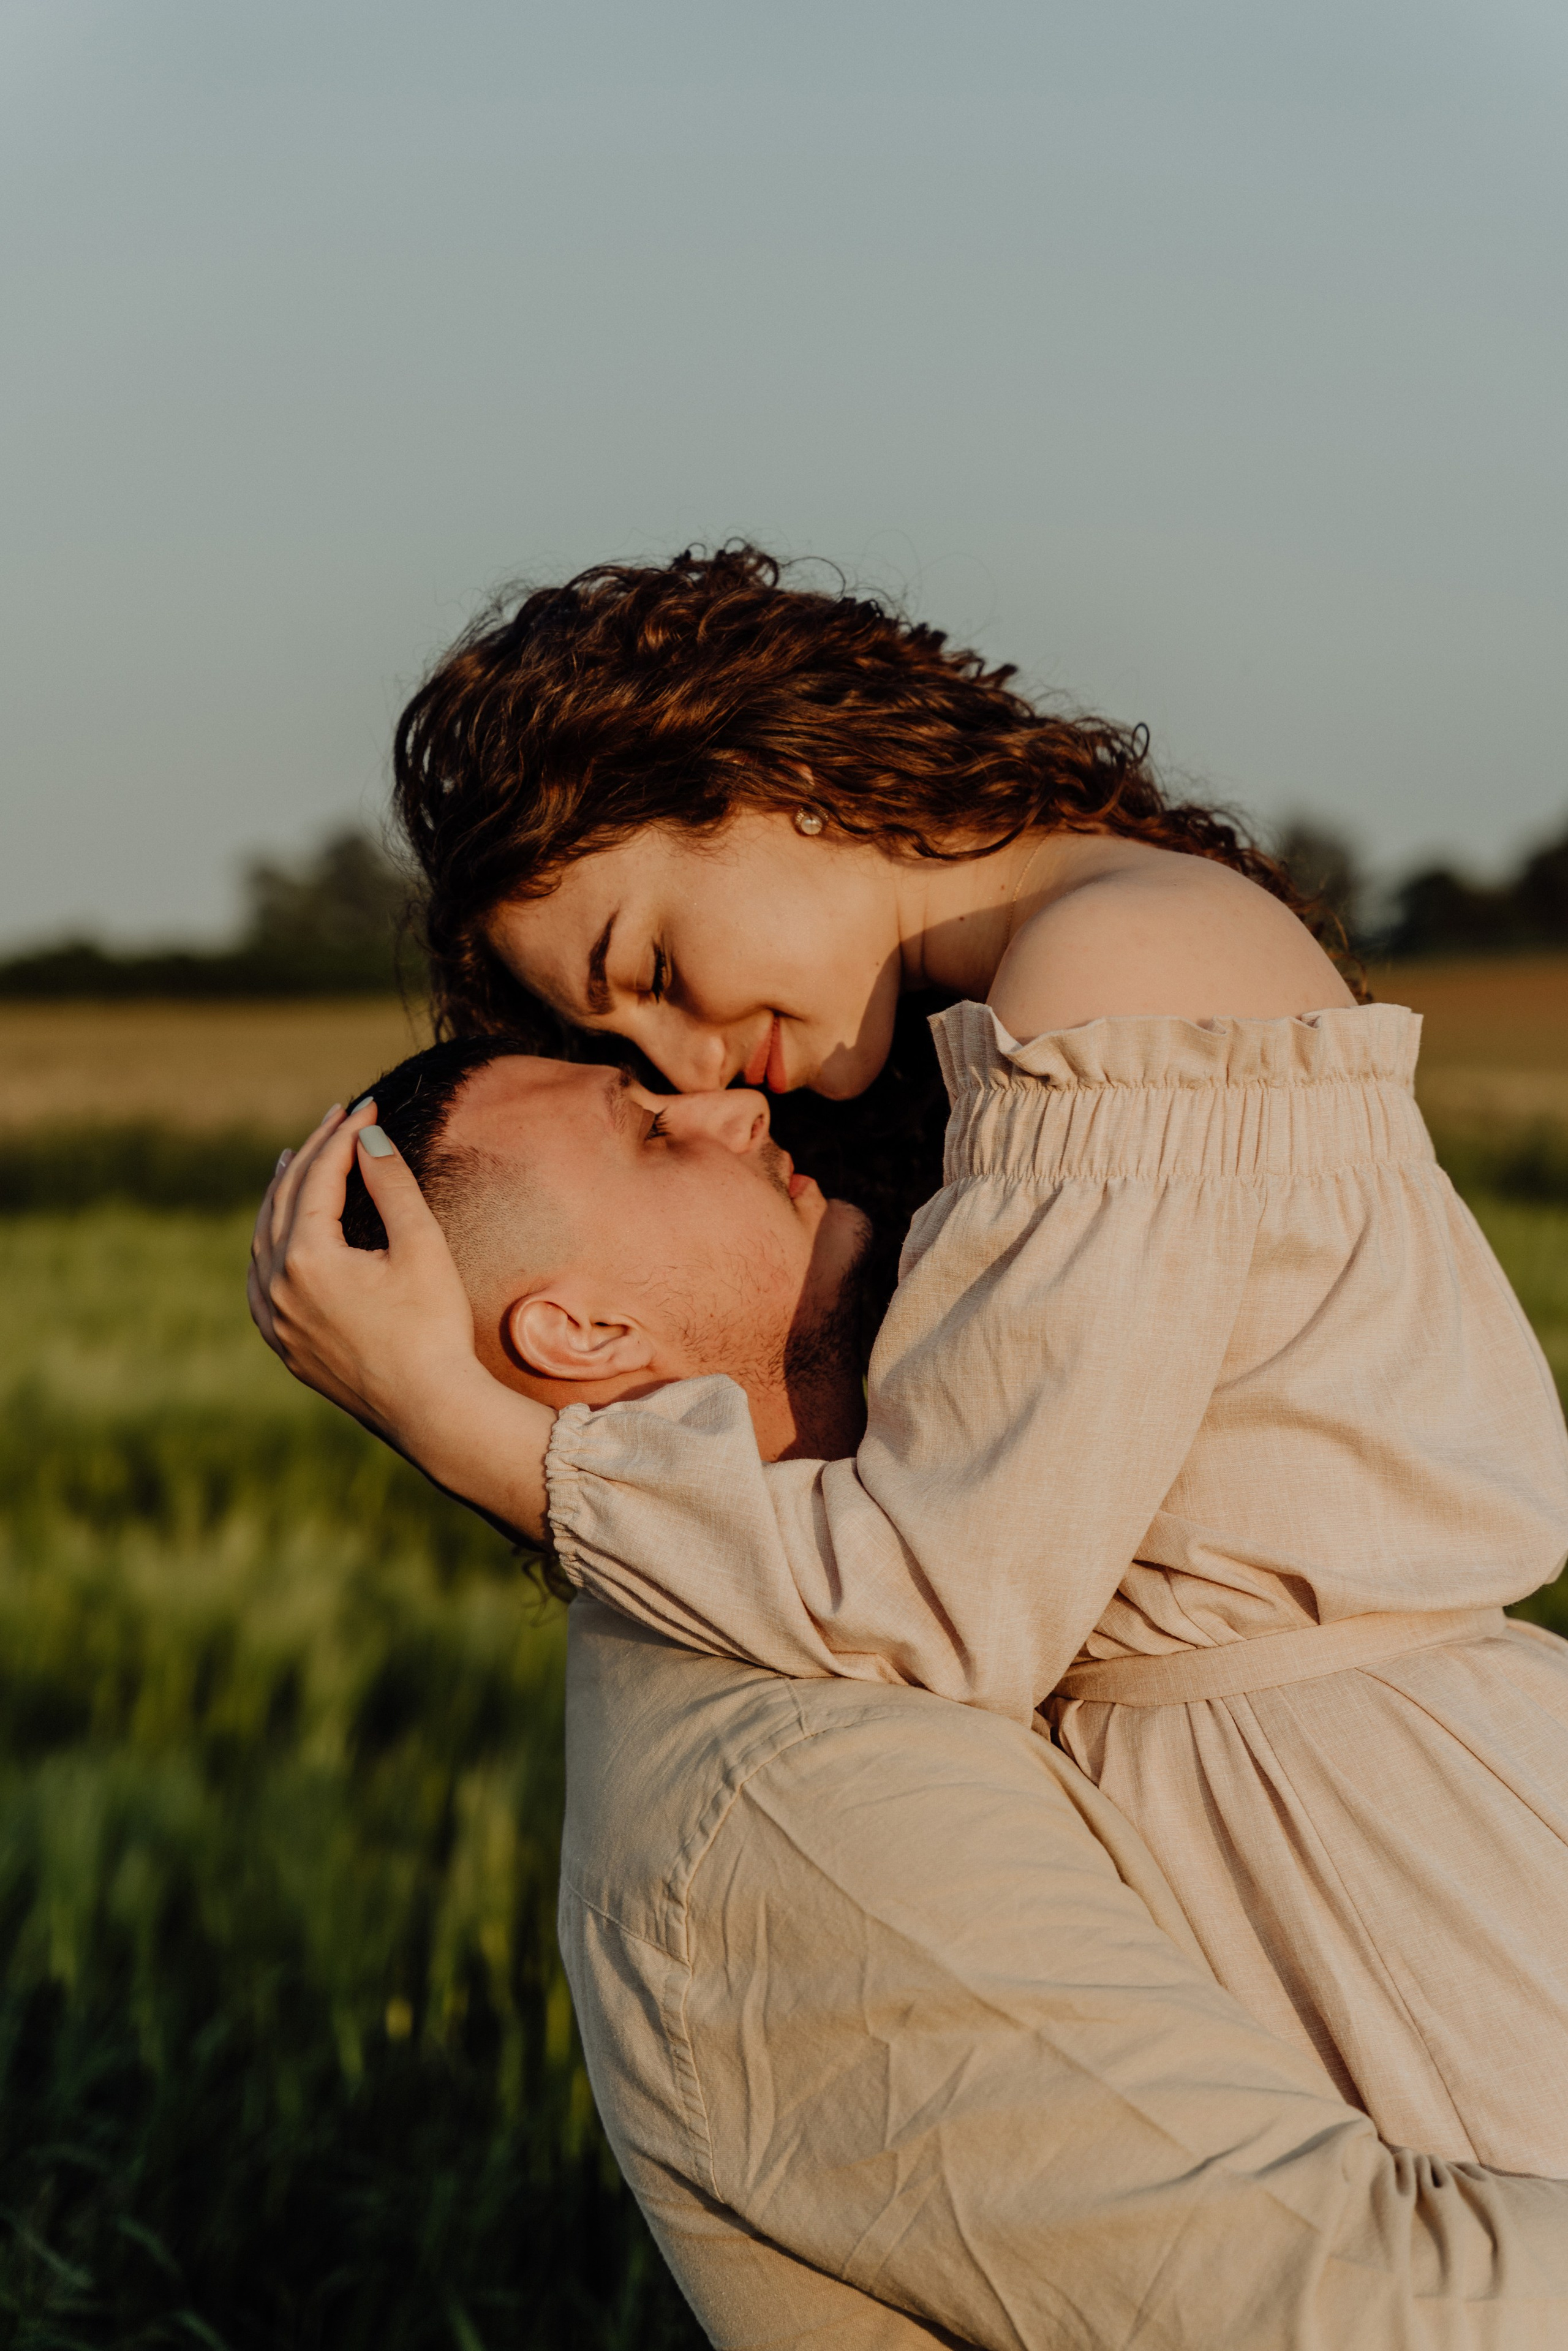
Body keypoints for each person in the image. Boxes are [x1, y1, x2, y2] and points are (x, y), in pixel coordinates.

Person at [252, 545, 1568, 2175]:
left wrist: (477, 1432)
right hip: (1300, 1820)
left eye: (651, 967)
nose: (682, 1057)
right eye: (628, 1049)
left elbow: (956, 1592)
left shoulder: (1121, 970)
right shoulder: (1045, 988)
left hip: (1382, 1856)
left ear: (770, 775)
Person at [252, 1040, 1568, 2347]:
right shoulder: (796, 1793)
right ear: (585, 1331)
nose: (731, 1102)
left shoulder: (916, 1594)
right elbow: (1375, 2307)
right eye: (650, 1129)